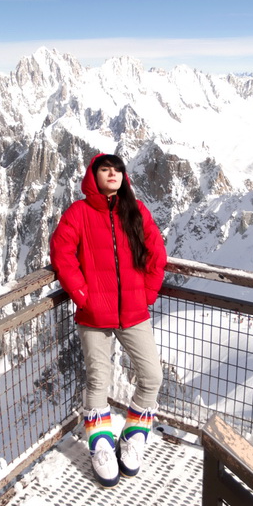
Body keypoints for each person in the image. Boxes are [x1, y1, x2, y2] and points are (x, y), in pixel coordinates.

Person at [50, 153, 167, 487]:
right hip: (94, 315)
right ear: (94, 175)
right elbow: (61, 253)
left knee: (151, 376)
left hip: (133, 311)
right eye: (105, 169)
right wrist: (83, 295)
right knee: (97, 381)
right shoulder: (79, 213)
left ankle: (133, 434)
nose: (112, 174)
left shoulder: (136, 210)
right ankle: (100, 444)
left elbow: (157, 252)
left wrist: (147, 293)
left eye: (117, 170)